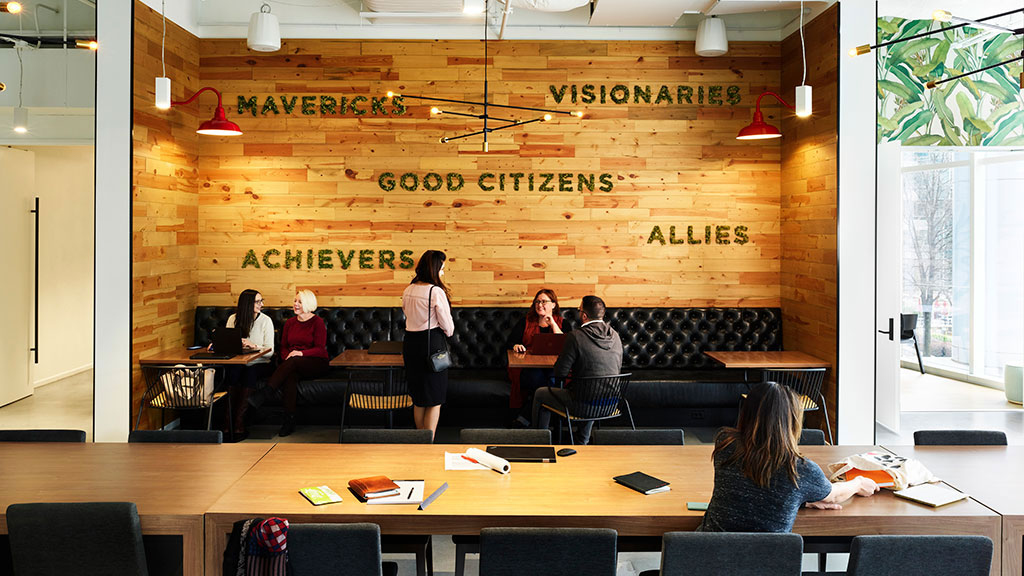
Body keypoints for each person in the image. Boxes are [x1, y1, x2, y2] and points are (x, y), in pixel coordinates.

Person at [698, 381, 879, 532]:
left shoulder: (725, 444)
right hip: (770, 565)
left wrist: (798, 499)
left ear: (747, 412)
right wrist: (858, 483)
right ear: (792, 421)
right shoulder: (801, 469)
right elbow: (834, 496)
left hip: (708, 559)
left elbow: (752, 489)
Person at [533, 295, 622, 445]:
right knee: (593, 390)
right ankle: (582, 441)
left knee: (540, 394)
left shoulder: (576, 336)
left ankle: (539, 443)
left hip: (585, 406)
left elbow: (559, 372)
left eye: (579, 310)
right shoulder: (615, 335)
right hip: (612, 404)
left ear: (584, 315)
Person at [260, 289, 329, 437]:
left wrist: (300, 353)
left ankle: (267, 391)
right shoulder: (290, 323)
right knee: (290, 376)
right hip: (292, 363)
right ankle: (289, 420)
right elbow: (284, 346)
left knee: (294, 362)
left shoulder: (318, 322)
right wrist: (287, 358)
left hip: (316, 362)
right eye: (295, 301)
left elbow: (320, 349)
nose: (295, 304)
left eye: (299, 301)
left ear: (308, 304)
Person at [401, 250, 454, 440]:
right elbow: (448, 327)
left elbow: (406, 314)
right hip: (432, 346)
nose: (442, 273)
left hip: (410, 345)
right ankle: (428, 443)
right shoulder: (435, 291)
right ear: (434, 268)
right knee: (434, 399)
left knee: (419, 398)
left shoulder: (409, 289)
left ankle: (419, 440)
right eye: (442, 269)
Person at [221, 289, 275, 442]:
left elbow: (270, 352)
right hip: (238, 362)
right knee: (234, 371)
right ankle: (227, 423)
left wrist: (253, 346)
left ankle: (238, 423)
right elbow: (228, 344)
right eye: (258, 302)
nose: (262, 304)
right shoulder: (233, 319)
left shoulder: (266, 321)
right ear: (247, 304)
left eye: (261, 300)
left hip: (261, 362)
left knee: (249, 372)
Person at [506, 289, 564, 426]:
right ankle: (542, 426)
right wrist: (516, 345)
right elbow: (510, 342)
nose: (539, 305)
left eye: (544, 301)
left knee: (551, 379)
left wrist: (553, 324)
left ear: (553, 305)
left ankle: (524, 419)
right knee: (539, 380)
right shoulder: (525, 322)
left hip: (553, 367)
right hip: (528, 367)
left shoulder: (562, 323)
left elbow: (565, 345)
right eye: (537, 301)